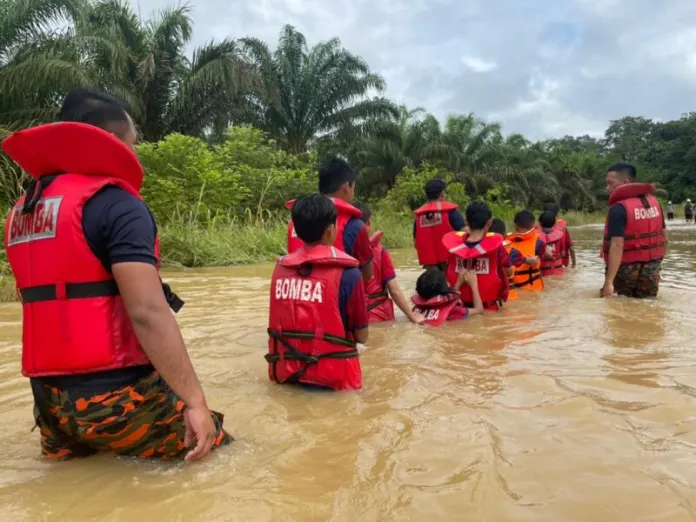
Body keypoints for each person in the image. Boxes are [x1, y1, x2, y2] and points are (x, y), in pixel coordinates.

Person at [2, 89, 231, 461]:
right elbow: (146, 311)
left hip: (49, 407)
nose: (136, 153)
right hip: (114, 402)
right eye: (133, 143)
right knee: (220, 455)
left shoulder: (23, 210)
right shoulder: (118, 204)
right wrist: (195, 402)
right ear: (111, 142)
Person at [267, 194, 368, 391]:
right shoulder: (349, 274)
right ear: (331, 230)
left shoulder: (280, 269)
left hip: (286, 377)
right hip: (333, 382)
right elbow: (362, 336)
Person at [285, 158, 373, 281]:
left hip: (301, 297)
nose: (353, 193)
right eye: (354, 187)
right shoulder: (355, 225)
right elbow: (367, 276)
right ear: (346, 186)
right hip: (334, 295)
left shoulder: (296, 220)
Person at [601, 162, 667, 298]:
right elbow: (664, 238)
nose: (607, 188)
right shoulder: (654, 202)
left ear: (625, 182)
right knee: (648, 307)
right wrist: (656, 269)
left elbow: (617, 245)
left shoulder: (618, 208)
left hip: (625, 269)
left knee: (618, 311)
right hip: (651, 269)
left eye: (610, 183)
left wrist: (608, 282)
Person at [352, 201, 423, 324]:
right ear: (369, 223)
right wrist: (412, 317)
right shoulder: (379, 251)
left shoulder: (340, 250)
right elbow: (394, 290)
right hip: (378, 316)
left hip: (352, 318)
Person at [442, 201, 512, 311]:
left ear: (466, 222)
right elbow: (509, 272)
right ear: (489, 223)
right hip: (489, 309)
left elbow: (447, 272)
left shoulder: (452, 248)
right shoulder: (497, 248)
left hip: (459, 308)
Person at [413, 179, 466, 270]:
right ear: (442, 193)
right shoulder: (451, 212)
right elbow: (466, 234)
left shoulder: (418, 217)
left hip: (431, 268)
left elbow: (415, 243)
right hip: (450, 265)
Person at [411, 268, 483, 326]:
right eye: (446, 280)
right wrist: (474, 284)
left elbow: (447, 298)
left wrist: (459, 282)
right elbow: (479, 310)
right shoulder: (453, 310)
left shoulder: (419, 307)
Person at [507, 210, 548, 291]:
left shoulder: (507, 243)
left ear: (516, 226)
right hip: (533, 288)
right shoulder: (539, 243)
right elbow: (543, 260)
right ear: (533, 225)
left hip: (513, 289)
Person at [489, 218, 517, 301]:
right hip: (506, 295)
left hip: (488, 292)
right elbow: (509, 272)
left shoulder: (481, 250)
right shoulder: (511, 251)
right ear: (504, 235)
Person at [544, 203, 575, 268]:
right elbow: (571, 248)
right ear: (557, 214)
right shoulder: (563, 229)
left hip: (545, 267)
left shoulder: (540, 231)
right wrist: (574, 265)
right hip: (561, 265)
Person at [537, 211, 566, 277]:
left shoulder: (536, 237)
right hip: (557, 270)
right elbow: (563, 254)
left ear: (540, 223)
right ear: (554, 223)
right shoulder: (561, 235)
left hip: (542, 271)